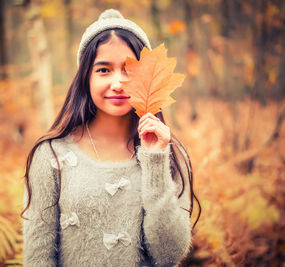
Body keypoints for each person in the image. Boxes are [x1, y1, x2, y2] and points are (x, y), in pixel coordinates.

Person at [22, 9, 199, 267]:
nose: (118, 82)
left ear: (148, 79)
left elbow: (169, 256)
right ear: (86, 78)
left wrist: (155, 161)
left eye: (129, 69)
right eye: (104, 70)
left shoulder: (169, 154)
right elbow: (38, 258)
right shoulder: (51, 156)